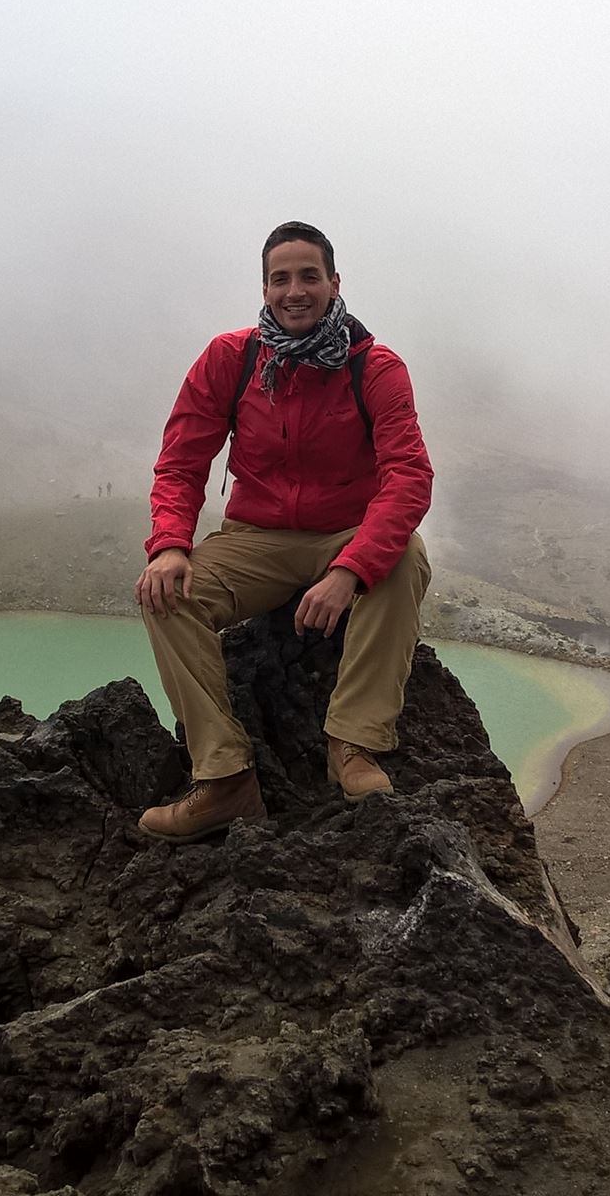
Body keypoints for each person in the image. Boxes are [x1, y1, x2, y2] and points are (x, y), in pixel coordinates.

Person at [136, 222, 435, 843]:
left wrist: (349, 570)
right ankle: (224, 778)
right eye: (281, 278)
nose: (294, 290)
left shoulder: (373, 367)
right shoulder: (233, 357)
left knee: (402, 557)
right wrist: (168, 544)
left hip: (344, 534)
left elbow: (408, 476)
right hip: (257, 536)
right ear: (265, 287)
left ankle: (353, 745)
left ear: (333, 283)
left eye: (308, 276)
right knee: (168, 595)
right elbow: (183, 460)